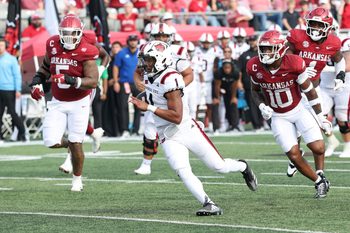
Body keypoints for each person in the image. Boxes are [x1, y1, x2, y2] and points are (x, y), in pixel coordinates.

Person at [130, 40, 257, 215]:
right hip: (167, 134)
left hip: (185, 128)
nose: (144, 64)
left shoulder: (170, 79)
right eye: (144, 59)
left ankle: (243, 166)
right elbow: (143, 80)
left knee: (218, 167)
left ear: (160, 59)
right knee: (181, 170)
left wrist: (148, 107)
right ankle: (208, 204)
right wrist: (141, 92)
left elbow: (176, 116)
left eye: (148, 60)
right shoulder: (149, 73)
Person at [247, 30, 330, 198]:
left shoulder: (294, 63)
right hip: (278, 116)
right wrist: (262, 105)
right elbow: (254, 91)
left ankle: (320, 172)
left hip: (299, 110)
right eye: (263, 49)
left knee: (318, 147)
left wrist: (321, 116)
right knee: (293, 154)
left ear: (280, 49)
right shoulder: (254, 66)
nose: (265, 53)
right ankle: (319, 182)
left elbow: (309, 91)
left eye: (270, 49)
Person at [29, 14, 99, 192]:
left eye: (73, 33)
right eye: (65, 33)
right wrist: (35, 83)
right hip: (58, 100)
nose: (69, 37)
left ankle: (77, 180)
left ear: (80, 32)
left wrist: (70, 79)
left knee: (76, 141)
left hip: (79, 100)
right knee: (50, 141)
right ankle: (74, 146)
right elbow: (45, 67)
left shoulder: (87, 49)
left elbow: (92, 81)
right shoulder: (52, 44)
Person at [286, 7, 346, 174]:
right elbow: (285, 59)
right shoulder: (297, 37)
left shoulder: (333, 42)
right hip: (292, 88)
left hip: (313, 89)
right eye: (312, 24)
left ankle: (317, 166)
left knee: (322, 124)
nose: (315, 28)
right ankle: (295, 157)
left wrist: (340, 76)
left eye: (319, 25)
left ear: (327, 27)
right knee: (294, 126)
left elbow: (339, 60)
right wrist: (301, 69)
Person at [134, 23, 193, 175]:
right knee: (149, 128)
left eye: (164, 36)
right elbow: (138, 71)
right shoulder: (146, 50)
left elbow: (189, 75)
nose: (161, 38)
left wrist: (175, 89)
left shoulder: (178, 51)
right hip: (154, 96)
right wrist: (138, 82)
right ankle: (146, 164)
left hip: (172, 96)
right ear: (151, 37)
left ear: (171, 37)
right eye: (157, 36)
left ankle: (184, 160)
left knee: (178, 128)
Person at [319, 38, 350, 158]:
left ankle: (348, 146)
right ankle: (332, 141)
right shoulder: (315, 44)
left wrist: (323, 67)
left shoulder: (345, 42)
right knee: (319, 117)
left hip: (343, 85)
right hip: (324, 86)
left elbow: (347, 65)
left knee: (342, 119)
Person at [113, 34, 141, 137]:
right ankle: (124, 129)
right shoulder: (121, 53)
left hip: (138, 83)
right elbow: (116, 67)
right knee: (123, 106)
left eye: (134, 40)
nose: (133, 42)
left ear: (137, 41)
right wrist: (116, 82)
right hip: (124, 83)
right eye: (131, 40)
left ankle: (135, 130)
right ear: (128, 42)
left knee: (139, 106)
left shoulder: (141, 53)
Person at [0, 38, 26, 142]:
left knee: (12, 113)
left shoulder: (11, 59)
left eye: (1, 45)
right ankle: (0, 135)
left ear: (5, 46)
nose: (0, 47)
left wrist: (18, 90)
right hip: (0, 90)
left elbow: (17, 75)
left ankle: (22, 133)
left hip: (9, 90)